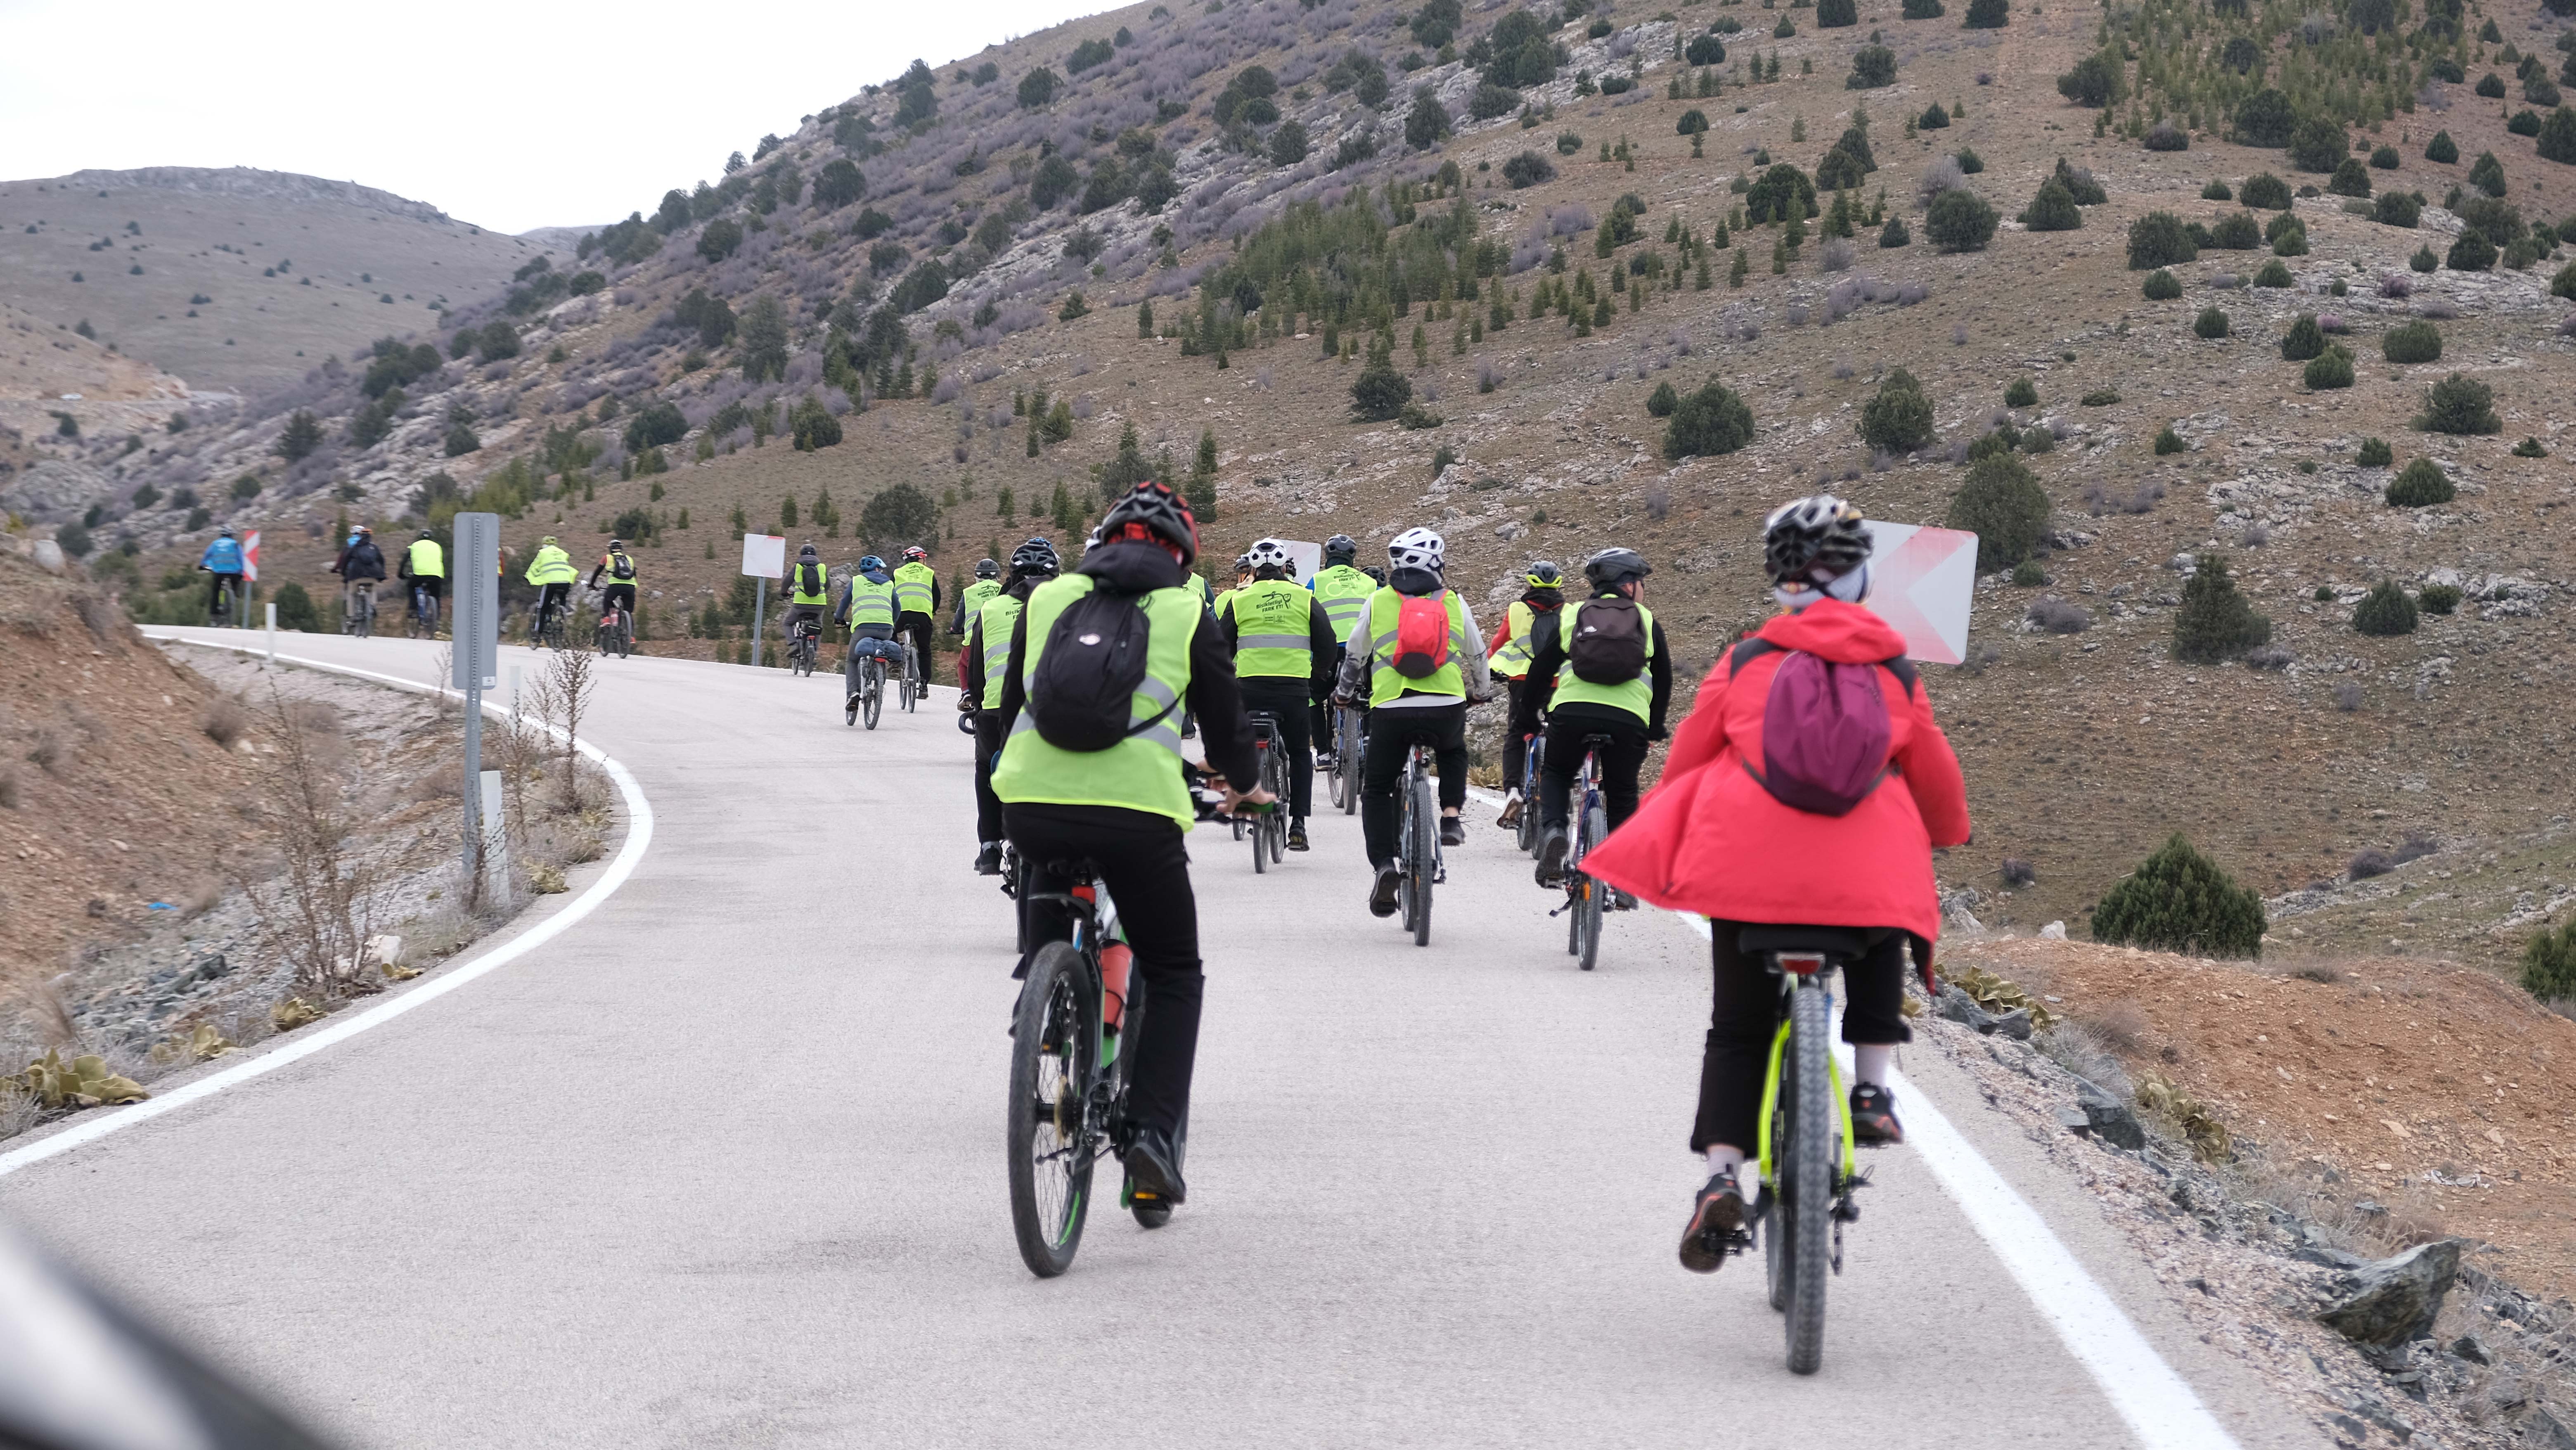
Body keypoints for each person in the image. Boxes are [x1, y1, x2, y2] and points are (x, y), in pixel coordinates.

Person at [1577, 496, 1970, 1274]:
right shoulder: (1893, 669)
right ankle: (1871, 1090)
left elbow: (1690, 757)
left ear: (1780, 584)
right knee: (1879, 924)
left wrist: (1662, 820)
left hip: (1748, 877)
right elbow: (1936, 781)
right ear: (1862, 580)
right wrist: (1944, 831)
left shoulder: (1748, 660)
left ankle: (1722, 1173)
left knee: (1738, 1027)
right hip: (1861, 881)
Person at [991, 480, 1271, 1205]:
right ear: (1182, 557)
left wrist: (999, 797)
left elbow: (1012, 705)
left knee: (1049, 866)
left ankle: (1041, 995)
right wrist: (1245, 784)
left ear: (1102, 543)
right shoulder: (1186, 611)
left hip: (1031, 803)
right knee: (1175, 968)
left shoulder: (1047, 598)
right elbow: (1227, 726)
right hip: (1138, 816)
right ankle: (1149, 1133)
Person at [1333, 528, 1491, 917]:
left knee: (1377, 789)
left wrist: (1343, 693)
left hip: (1392, 707)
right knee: (1454, 751)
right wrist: (1481, 693)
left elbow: (1355, 655)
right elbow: (1478, 654)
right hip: (1446, 704)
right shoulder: (1454, 602)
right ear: (1438, 564)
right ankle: (1451, 817)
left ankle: (1385, 864)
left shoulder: (1379, 600)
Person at [1530, 549, 1671, 890]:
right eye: (1641, 583)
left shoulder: (1574, 613)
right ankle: (1621, 881)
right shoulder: (1646, 619)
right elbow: (1664, 678)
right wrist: (1655, 726)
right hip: (1629, 719)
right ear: (1628, 585)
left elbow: (1541, 669)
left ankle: (1554, 830)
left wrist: (1527, 716)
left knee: (1558, 772)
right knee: (1622, 791)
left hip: (1572, 712)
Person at [1222, 538, 1340, 852]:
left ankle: (1249, 800)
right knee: (1301, 754)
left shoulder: (1240, 600)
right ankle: (1298, 825)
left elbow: (1220, 646)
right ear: (1286, 567)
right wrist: (1318, 676)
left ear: (1254, 569)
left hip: (1251, 687)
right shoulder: (1304, 597)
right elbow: (1327, 643)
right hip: (1293, 688)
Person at [961, 538, 1059, 873]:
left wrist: (975, 702)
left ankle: (989, 847)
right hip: (1050, 712)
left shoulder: (990, 608)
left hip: (996, 711)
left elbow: (976, 667)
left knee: (984, 767)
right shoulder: (1068, 607)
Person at [1486, 560, 1565, 829]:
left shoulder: (1517, 610)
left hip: (1524, 681)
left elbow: (1498, 645)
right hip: (1559, 682)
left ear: (1530, 584)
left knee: (1516, 734)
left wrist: (1486, 669)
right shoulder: (1571, 613)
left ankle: (1513, 793)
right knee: (1560, 733)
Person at [1307, 535, 1376, 763]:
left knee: (1313, 698)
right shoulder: (1370, 582)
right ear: (1352, 559)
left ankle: (1324, 752)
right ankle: (1367, 737)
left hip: (1330, 650)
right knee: (1373, 691)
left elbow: (1306, 613)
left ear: (1328, 556)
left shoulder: (1317, 580)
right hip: (1365, 650)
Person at [836, 555, 904, 701]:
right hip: (886, 627)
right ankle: (879, 683)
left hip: (863, 627)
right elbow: (897, 607)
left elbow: (844, 603)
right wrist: (891, 622)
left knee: (852, 661)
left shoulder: (856, 581)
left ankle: (853, 694)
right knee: (882, 650)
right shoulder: (889, 583)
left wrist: (838, 618)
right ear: (878, 569)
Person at [891, 544, 941, 686]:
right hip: (923, 616)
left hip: (901, 615)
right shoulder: (929, 573)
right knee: (925, 650)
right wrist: (932, 611)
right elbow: (937, 596)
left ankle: (895, 659)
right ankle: (924, 685)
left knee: (890, 630)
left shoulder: (897, 572)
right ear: (920, 559)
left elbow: (889, 593)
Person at [522, 535, 578, 641]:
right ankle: (561, 618)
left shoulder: (543, 553)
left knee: (543, 606)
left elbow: (534, 566)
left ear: (544, 544)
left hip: (551, 583)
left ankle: (538, 633)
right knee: (562, 602)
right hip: (566, 582)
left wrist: (527, 576)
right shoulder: (563, 553)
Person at [329, 525, 386, 626]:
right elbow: (381, 560)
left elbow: (344, 559)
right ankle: (372, 606)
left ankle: (352, 616)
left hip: (354, 573)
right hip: (373, 574)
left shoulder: (351, 544)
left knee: (351, 594)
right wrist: (381, 573)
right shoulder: (373, 546)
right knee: (373, 589)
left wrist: (341, 571)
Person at [782, 543, 831, 654]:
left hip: (800, 604)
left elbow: (787, 581)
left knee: (787, 623)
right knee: (818, 626)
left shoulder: (798, 566)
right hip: (819, 605)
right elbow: (828, 585)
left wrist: (784, 593)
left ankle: (794, 644)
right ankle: (814, 650)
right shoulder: (822, 567)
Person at [396, 529, 444, 632]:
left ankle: (413, 609)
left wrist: (400, 574)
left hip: (420, 574)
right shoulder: (437, 546)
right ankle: (437, 619)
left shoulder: (415, 546)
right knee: (436, 596)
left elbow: (405, 560)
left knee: (411, 586)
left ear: (419, 538)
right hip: (437, 575)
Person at [196, 529, 246, 625]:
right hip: (234, 572)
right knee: (235, 585)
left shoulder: (215, 544)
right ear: (231, 536)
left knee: (216, 591)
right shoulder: (235, 544)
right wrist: (242, 572)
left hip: (219, 571)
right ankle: (233, 598)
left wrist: (202, 566)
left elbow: (207, 555)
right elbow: (241, 559)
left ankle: (214, 616)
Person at [952, 557, 1002, 635]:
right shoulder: (1003, 590)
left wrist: (955, 629)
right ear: (997, 577)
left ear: (977, 577)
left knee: (968, 648)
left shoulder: (968, 592)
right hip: (996, 637)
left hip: (973, 638)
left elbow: (960, 616)